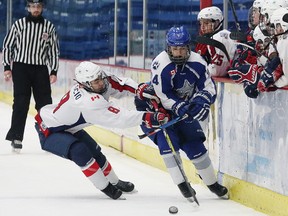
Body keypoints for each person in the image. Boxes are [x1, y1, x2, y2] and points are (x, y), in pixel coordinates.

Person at [34, 61, 169, 200]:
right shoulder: (88, 102)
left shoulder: (99, 81)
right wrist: (147, 117)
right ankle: (106, 187)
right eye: (96, 81)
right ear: (83, 85)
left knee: (95, 151)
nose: (101, 83)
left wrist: (140, 89)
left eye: (100, 78)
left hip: (68, 127)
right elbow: (120, 118)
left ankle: (115, 182)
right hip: (49, 131)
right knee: (80, 151)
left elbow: (121, 84)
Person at [135, 26, 228, 200]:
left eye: (182, 48)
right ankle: (182, 185)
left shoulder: (198, 62)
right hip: (160, 113)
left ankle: (212, 183)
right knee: (168, 148)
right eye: (174, 49)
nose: (178, 53)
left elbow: (208, 86)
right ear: (168, 47)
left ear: (188, 47)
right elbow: (163, 95)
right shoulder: (160, 63)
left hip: (183, 111)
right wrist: (180, 106)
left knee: (196, 147)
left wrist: (201, 101)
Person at [2, 0, 60, 153]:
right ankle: (16, 137)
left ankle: (49, 137)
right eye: (33, 6)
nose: (36, 9)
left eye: (38, 6)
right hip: (21, 67)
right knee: (21, 102)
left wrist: (53, 70)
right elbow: (8, 45)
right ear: (28, 8)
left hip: (40, 68)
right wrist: (7, 66)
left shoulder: (49, 27)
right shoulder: (19, 24)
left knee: (45, 104)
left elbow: (53, 50)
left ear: (42, 8)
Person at [195, 6, 237, 77]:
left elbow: (217, 72)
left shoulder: (220, 38)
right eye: (201, 23)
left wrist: (199, 71)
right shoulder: (207, 39)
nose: (202, 27)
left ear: (217, 22)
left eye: (206, 23)